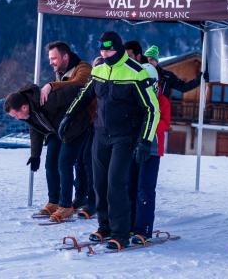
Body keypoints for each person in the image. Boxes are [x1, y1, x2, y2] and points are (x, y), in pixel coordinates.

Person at [59, 31, 160, 250]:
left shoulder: (137, 72)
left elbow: (152, 109)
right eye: (101, 49)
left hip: (125, 138)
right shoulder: (99, 69)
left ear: (118, 49)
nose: (104, 53)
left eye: (108, 49)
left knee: (116, 184)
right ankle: (104, 226)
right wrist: (69, 116)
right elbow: (84, 95)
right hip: (101, 135)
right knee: (99, 184)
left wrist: (145, 140)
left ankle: (120, 232)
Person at [4, 83, 90, 222]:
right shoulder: (28, 114)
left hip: (75, 128)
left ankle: (66, 206)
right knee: (50, 165)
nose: (17, 118)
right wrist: (35, 155)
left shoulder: (46, 99)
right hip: (55, 131)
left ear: (24, 107)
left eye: (16, 115)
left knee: (64, 164)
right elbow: (36, 131)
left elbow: (77, 89)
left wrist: (72, 116)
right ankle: (54, 202)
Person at [39, 41, 95, 214]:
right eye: (50, 59)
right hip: (64, 125)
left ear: (65, 57)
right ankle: (54, 201)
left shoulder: (83, 67)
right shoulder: (59, 72)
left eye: (54, 58)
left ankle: (73, 203)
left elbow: (79, 84)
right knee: (52, 163)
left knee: (80, 164)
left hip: (86, 123)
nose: (51, 62)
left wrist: (51, 85)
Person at [129, 45, 172, 244]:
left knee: (145, 190)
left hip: (152, 149)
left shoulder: (162, 101)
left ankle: (143, 229)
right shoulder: (137, 99)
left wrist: (148, 128)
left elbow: (164, 124)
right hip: (134, 147)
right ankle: (129, 225)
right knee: (131, 187)